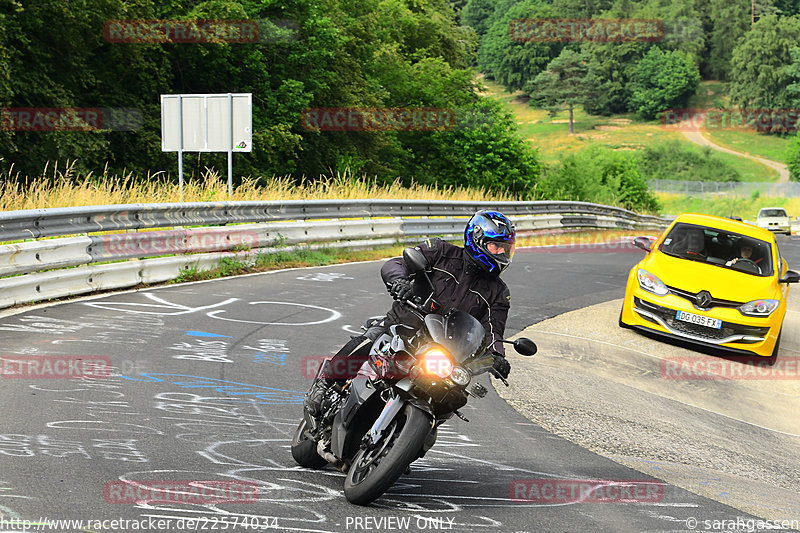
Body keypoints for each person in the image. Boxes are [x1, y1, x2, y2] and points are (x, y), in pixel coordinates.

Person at [304, 210, 516, 416]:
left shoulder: (498, 291)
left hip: (445, 350)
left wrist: (497, 356)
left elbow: (493, 329)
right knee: (371, 339)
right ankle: (326, 381)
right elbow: (397, 264)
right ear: (476, 239)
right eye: (495, 246)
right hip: (404, 326)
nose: (501, 253)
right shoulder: (441, 251)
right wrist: (399, 281)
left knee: (455, 394)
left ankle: (420, 430)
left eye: (505, 249)